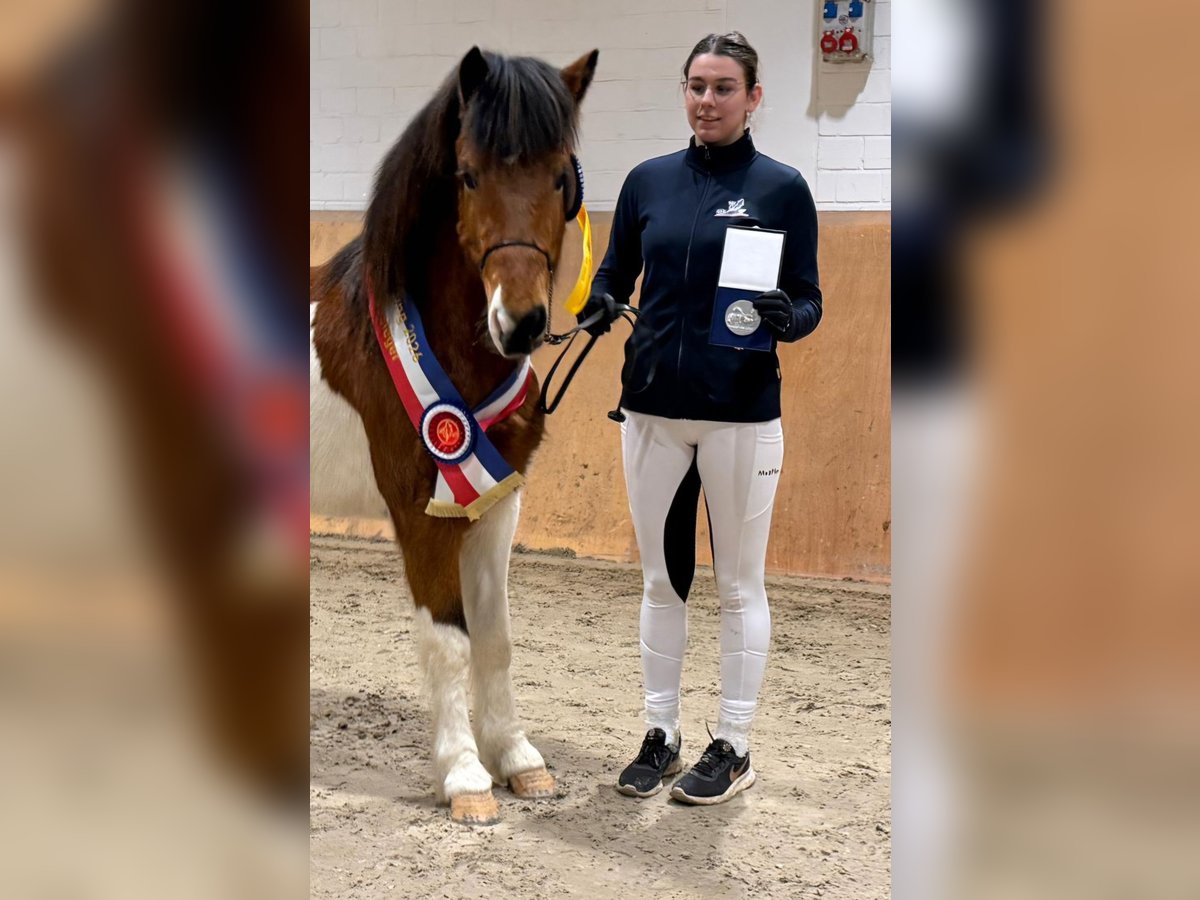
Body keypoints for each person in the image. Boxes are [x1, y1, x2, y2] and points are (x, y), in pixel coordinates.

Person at [581, 31, 822, 805]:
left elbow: (810, 300)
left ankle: (735, 745)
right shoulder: (647, 182)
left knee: (739, 585)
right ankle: (662, 733)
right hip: (651, 412)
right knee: (661, 581)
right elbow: (615, 274)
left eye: (723, 88)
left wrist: (791, 318)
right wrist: (599, 302)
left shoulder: (783, 188)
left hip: (739, 417)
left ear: (754, 98)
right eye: (696, 86)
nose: (707, 101)